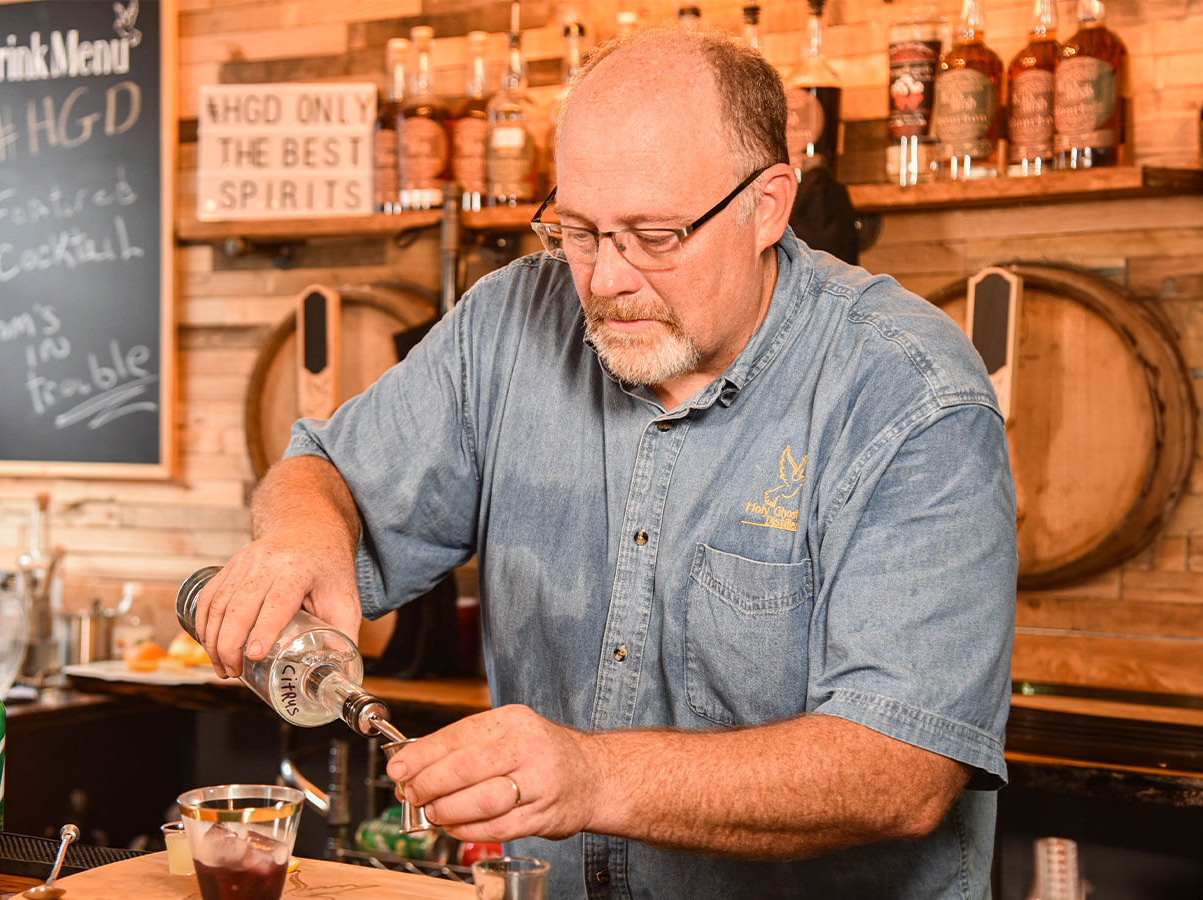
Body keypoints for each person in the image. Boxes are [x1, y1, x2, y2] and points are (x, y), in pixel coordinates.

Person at [193, 27, 1016, 900]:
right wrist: (297, 535)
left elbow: (902, 770)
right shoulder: (511, 324)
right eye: (578, 230)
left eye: (654, 235)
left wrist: (591, 776)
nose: (605, 279)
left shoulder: (908, 393)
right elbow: (321, 470)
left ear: (769, 205)